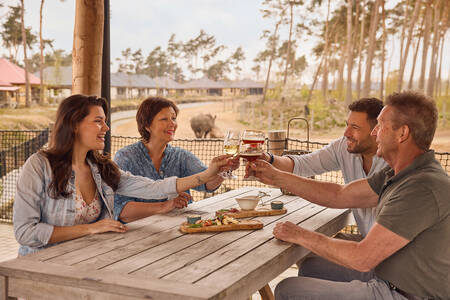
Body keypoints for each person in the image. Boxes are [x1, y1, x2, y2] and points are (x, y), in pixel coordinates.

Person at [249, 91, 449, 299]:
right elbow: (340, 195)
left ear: (402, 133)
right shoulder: (400, 172)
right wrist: (275, 176)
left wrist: (300, 234)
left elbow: (362, 258)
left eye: (380, 126)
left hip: (404, 292)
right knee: (312, 266)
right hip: (387, 272)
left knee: (287, 290)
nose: (374, 133)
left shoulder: (421, 188)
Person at [13, 94, 231, 256]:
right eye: (98, 121)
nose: (106, 127)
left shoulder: (101, 168)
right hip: (42, 266)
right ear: (74, 125)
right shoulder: (39, 166)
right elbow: (25, 232)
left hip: (88, 260)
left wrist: (209, 173)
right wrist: (91, 229)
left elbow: (153, 187)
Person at [254, 98, 386, 239]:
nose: (346, 133)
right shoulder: (344, 147)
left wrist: (277, 177)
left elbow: (339, 196)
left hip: (391, 252)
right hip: (366, 240)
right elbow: (303, 164)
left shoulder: (395, 164)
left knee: (307, 245)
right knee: (307, 253)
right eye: (347, 125)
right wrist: (269, 159)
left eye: (355, 127)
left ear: (376, 131)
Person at [114, 97, 237, 223]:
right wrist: (165, 206)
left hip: (179, 229)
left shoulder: (181, 156)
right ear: (147, 126)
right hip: (138, 234)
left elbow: (207, 184)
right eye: (164, 119)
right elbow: (119, 209)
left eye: (173, 118)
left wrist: (224, 170)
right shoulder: (126, 157)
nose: (172, 124)